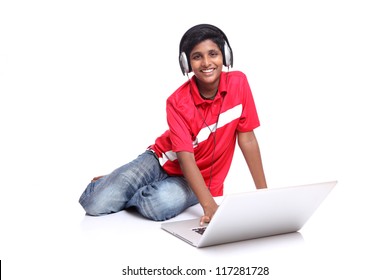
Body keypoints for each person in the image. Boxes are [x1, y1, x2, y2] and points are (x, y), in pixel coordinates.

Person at [79, 23, 267, 225]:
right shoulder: (177, 102)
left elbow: (247, 139)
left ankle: (126, 186)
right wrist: (209, 206)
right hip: (160, 161)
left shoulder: (239, 83)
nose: (206, 62)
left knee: (157, 204)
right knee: (95, 203)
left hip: (202, 180)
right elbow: (185, 158)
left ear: (226, 56)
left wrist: (264, 195)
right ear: (186, 63)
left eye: (213, 54)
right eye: (197, 56)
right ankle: (119, 183)